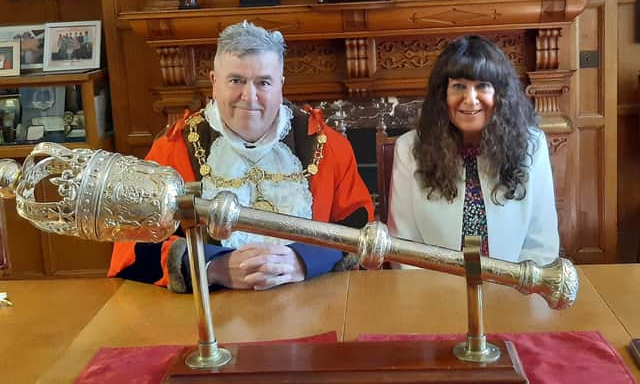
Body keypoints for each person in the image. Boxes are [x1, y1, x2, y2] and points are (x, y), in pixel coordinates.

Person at [108, 21, 373, 292]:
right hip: (207, 311)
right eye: (236, 80)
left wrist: (303, 261)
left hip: (312, 303)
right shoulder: (171, 151)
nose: (250, 96)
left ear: (281, 84)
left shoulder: (328, 147)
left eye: (263, 82)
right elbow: (132, 248)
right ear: (214, 82)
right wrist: (212, 267)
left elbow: (362, 235)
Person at [387, 35, 559, 266]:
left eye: (482, 86)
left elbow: (541, 243)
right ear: (442, 95)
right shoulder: (408, 149)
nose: (470, 99)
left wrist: (518, 293)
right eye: (458, 86)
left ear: (500, 94)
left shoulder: (531, 145)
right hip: (432, 290)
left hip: (513, 291)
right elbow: (403, 245)